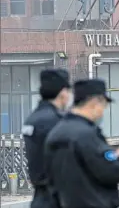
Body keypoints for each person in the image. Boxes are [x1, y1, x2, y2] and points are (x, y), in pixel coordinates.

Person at [45, 79, 119, 208]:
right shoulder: (87, 135)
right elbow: (111, 171)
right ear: (95, 102)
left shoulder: (55, 132)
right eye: (103, 105)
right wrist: (118, 158)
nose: (103, 111)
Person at [22, 69, 72, 208]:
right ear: (62, 92)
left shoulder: (32, 119)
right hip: (58, 199)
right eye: (68, 91)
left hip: (39, 197)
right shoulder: (56, 121)